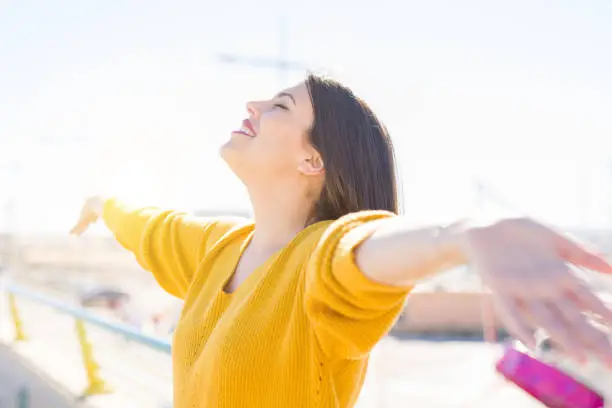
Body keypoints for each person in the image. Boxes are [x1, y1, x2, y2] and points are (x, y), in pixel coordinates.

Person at [70, 74, 612, 408]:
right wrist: (100, 203)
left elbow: (366, 248)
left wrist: (463, 237)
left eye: (279, 106)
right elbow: (149, 225)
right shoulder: (219, 247)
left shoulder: (319, 264)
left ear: (312, 160)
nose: (254, 105)